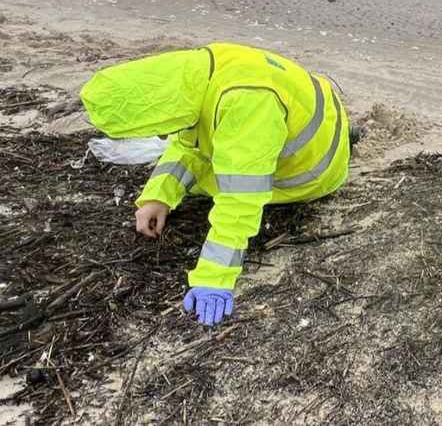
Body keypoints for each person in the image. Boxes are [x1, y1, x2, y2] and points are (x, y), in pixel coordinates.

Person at [80, 43, 354, 327]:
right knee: (214, 159)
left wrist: (213, 277)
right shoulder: (194, 74)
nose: (161, 135)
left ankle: (347, 142)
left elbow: (241, 200)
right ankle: (348, 134)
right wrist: (157, 197)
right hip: (318, 110)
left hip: (319, 168)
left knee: (225, 180)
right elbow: (189, 145)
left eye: (159, 129)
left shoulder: (246, 104)